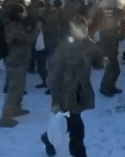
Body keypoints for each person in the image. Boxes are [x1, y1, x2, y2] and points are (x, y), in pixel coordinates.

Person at [41, 16, 104, 157]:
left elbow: (98, 63)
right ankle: (79, 154)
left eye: (85, 29)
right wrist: (56, 99)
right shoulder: (63, 47)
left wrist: (101, 56)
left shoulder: (89, 45)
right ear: (72, 30)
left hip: (81, 93)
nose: (83, 32)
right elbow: (53, 76)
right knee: (77, 129)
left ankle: (47, 139)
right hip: (65, 94)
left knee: (69, 122)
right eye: (79, 29)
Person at [0, 2, 41, 127]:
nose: (25, 14)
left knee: (20, 88)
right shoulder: (12, 26)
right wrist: (37, 29)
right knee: (14, 90)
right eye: (23, 12)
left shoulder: (16, 25)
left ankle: (16, 109)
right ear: (18, 14)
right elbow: (28, 39)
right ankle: (5, 119)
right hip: (15, 61)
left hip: (20, 60)